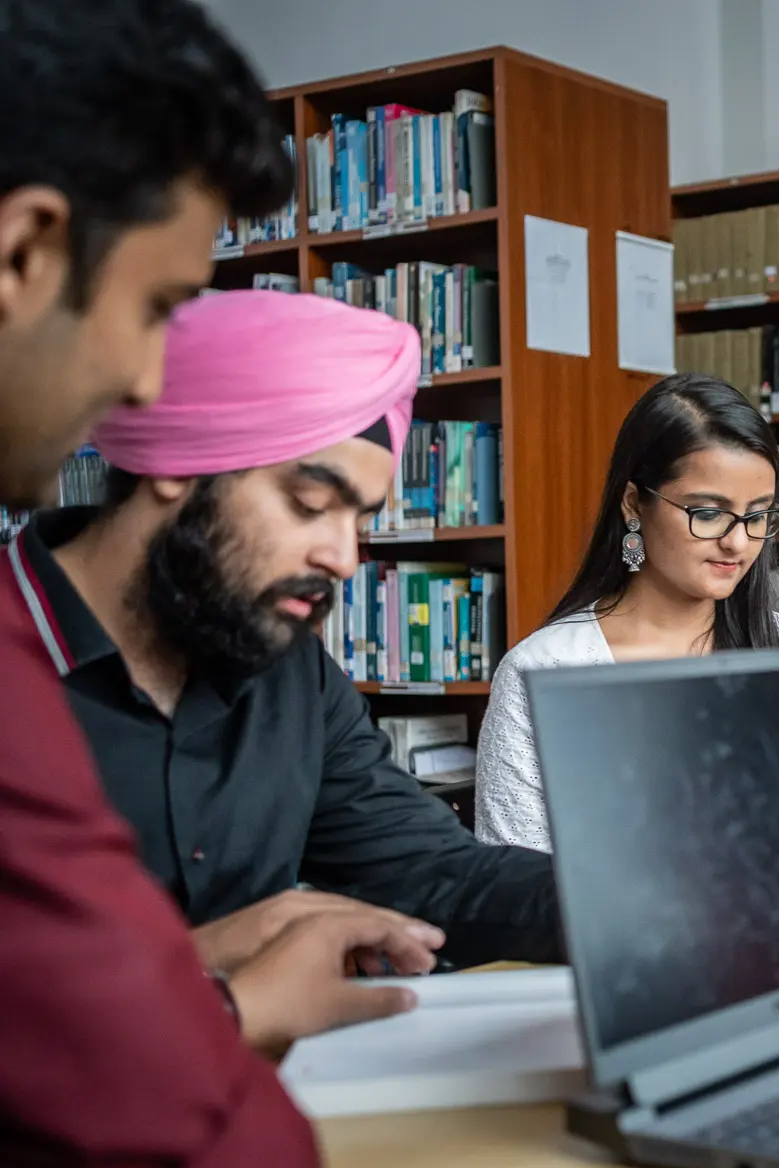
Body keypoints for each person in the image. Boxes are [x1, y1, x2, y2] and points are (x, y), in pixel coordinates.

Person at [0, 4, 438, 1168]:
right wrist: (216, 1000)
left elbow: (432, 866)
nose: (147, 384)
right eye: (158, 305)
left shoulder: (290, 673)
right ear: (27, 250)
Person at [19, 288, 562, 970]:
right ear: (179, 466)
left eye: (359, 521)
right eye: (310, 505)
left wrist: (645, 892)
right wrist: (200, 966)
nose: (344, 559)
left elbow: (436, 874)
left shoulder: (288, 669)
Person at [475, 372, 779, 851]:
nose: (738, 542)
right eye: (708, 513)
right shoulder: (543, 670)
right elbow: (512, 877)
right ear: (634, 504)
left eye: (758, 514)